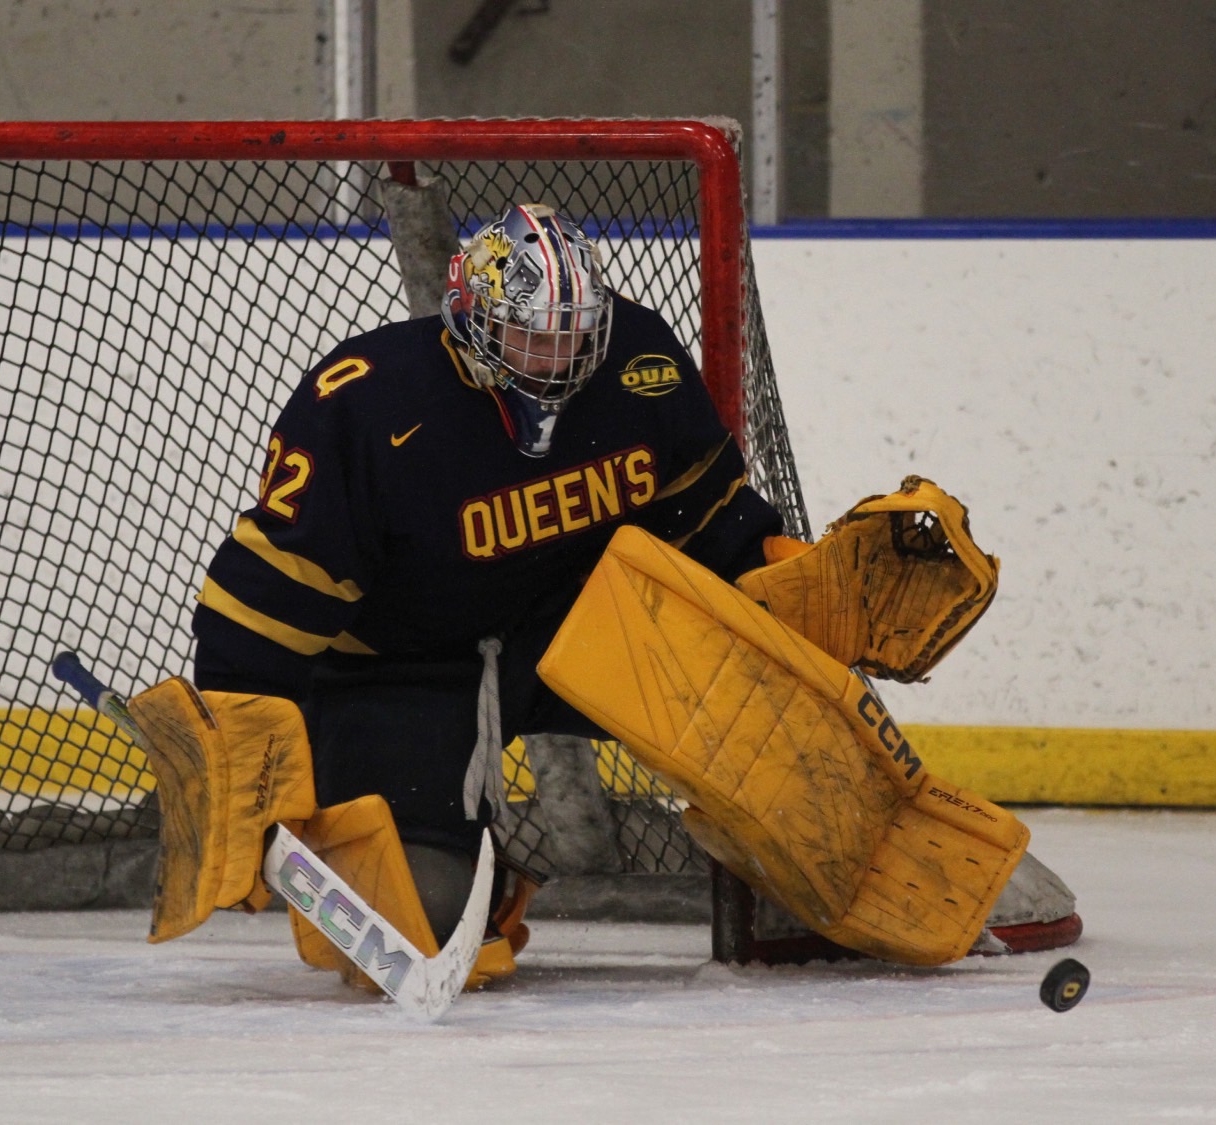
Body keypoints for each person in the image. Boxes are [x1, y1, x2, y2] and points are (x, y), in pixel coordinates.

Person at [182, 203, 784, 984]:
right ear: (471, 318)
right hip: (403, 669)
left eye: (574, 332)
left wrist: (780, 583)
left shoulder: (640, 359)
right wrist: (237, 741)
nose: (558, 356)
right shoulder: (368, 401)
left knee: (779, 726)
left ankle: (842, 872)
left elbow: (711, 513)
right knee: (413, 923)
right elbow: (268, 594)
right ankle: (476, 878)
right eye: (533, 335)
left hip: (584, 632)